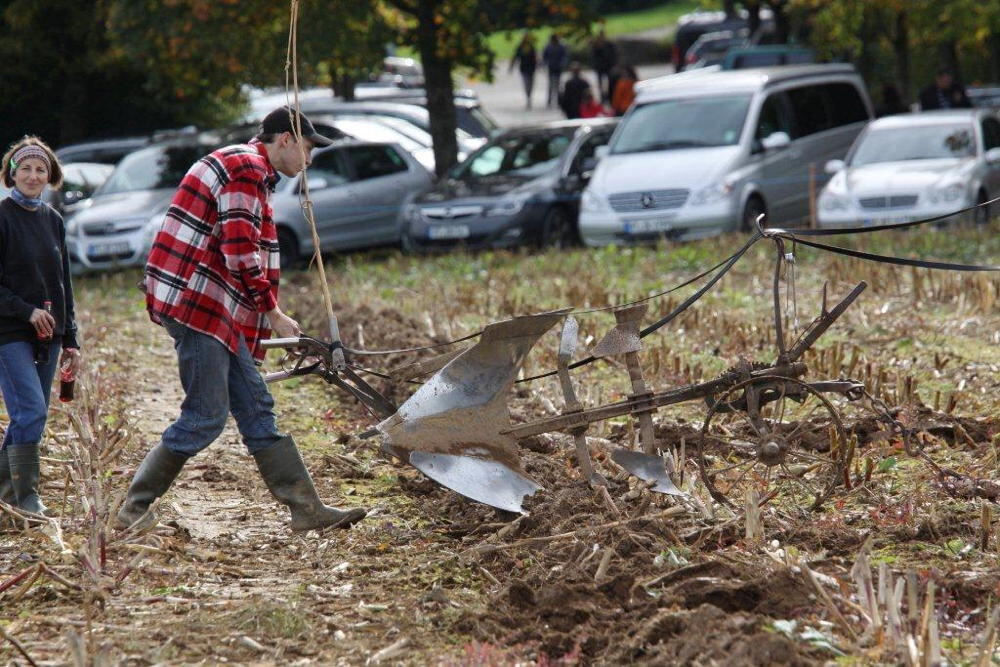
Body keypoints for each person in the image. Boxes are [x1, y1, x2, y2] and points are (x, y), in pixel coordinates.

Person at [117, 107, 366, 533]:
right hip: (199, 305)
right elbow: (239, 252)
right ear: (285, 139)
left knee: (255, 407)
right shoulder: (246, 169)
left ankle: (305, 509)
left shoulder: (247, 167)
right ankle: (133, 510)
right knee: (205, 416)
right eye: (307, 148)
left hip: (212, 309)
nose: (309, 160)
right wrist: (272, 312)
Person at [0, 137, 82, 516]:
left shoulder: (54, 220)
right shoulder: (2, 217)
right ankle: (25, 497)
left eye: (41, 170)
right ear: (12, 174)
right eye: (26, 168)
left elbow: (63, 281)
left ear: (50, 177)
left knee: (34, 414)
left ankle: (5, 492)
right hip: (9, 331)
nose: (33, 176)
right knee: (30, 411)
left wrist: (71, 340)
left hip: (49, 334)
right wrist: (25, 310)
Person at [509, 33, 538, 109]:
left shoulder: (531, 47)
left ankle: (529, 96)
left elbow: (535, 57)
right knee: (526, 84)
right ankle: (528, 97)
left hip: (531, 69)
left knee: (530, 84)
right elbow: (515, 57)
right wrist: (511, 67)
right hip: (524, 69)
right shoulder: (520, 47)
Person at [590, 29, 618, 103]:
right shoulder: (596, 46)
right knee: (600, 83)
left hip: (608, 66)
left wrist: (613, 64)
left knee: (610, 82)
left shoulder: (609, 44)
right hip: (599, 67)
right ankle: (602, 97)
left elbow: (613, 55)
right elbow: (593, 57)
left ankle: (609, 97)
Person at [542, 34, 569, 109]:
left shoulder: (561, 46)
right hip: (551, 67)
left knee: (557, 84)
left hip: (558, 68)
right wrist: (545, 63)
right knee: (551, 84)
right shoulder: (548, 47)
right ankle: (550, 100)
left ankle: (557, 100)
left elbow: (565, 56)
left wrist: (563, 63)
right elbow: (545, 56)